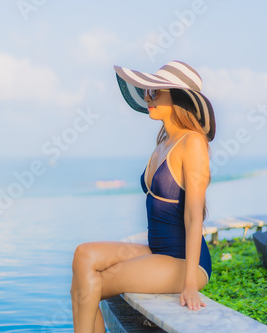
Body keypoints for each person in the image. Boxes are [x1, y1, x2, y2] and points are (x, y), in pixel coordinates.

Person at [70, 60, 216, 332]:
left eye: (155, 92)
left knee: (94, 284)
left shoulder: (192, 142)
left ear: (178, 97)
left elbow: (194, 216)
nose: (147, 97)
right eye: (147, 92)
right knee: (83, 255)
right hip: (156, 250)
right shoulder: (163, 144)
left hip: (185, 261)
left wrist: (189, 284)